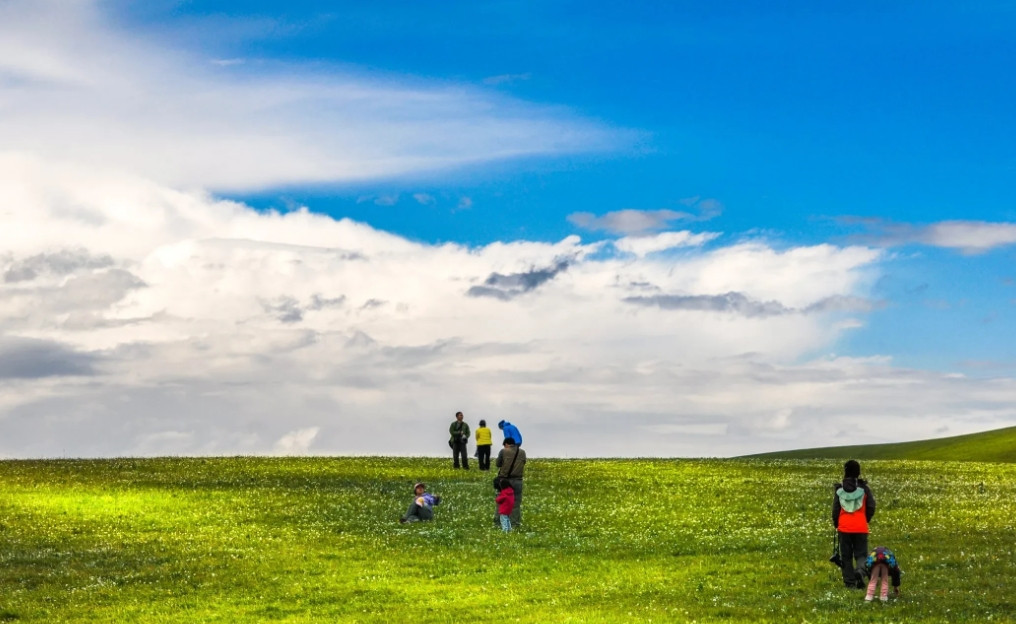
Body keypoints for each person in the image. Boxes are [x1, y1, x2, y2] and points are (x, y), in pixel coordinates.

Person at [832, 459, 877, 588]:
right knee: (861, 555)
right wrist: (865, 519)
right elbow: (871, 506)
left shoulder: (840, 489)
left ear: (845, 471)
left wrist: (836, 523)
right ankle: (860, 572)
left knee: (846, 557)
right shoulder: (864, 489)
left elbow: (835, 509)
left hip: (844, 527)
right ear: (858, 472)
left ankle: (850, 583)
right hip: (860, 527)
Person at [494, 437, 526, 525]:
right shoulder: (522, 452)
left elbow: (498, 464)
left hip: (504, 481)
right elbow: (524, 462)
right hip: (518, 480)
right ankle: (515, 523)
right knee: (516, 503)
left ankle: (498, 523)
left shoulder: (503, 451)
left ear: (506, 444)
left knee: (501, 502)